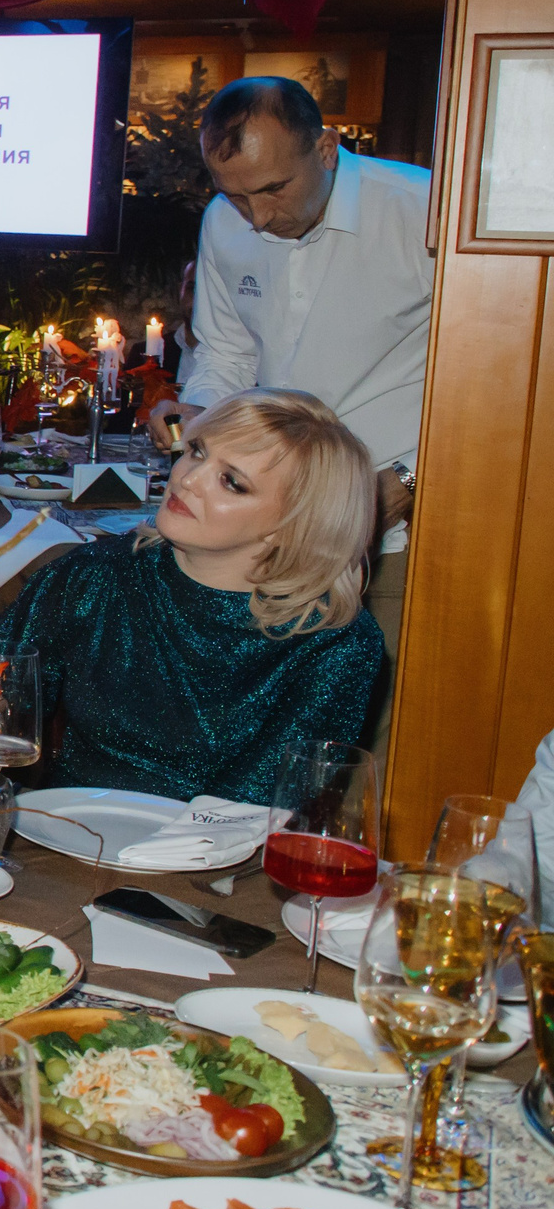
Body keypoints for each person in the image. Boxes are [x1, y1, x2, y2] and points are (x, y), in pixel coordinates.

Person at [144, 76, 429, 747]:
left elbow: (492, 380)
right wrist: (198, 415)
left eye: (273, 189)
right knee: (254, 739)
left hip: (391, 530)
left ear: (327, 148)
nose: (259, 218)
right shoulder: (227, 223)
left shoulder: (421, 212)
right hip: (263, 536)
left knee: (358, 754)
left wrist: (412, 482)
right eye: (236, 194)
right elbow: (228, 355)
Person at [0, 389, 385, 802]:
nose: (187, 478)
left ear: (292, 524)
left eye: (231, 481)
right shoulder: (96, 574)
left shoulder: (335, 641)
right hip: (62, 837)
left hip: (226, 859)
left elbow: (272, 805)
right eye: (196, 451)